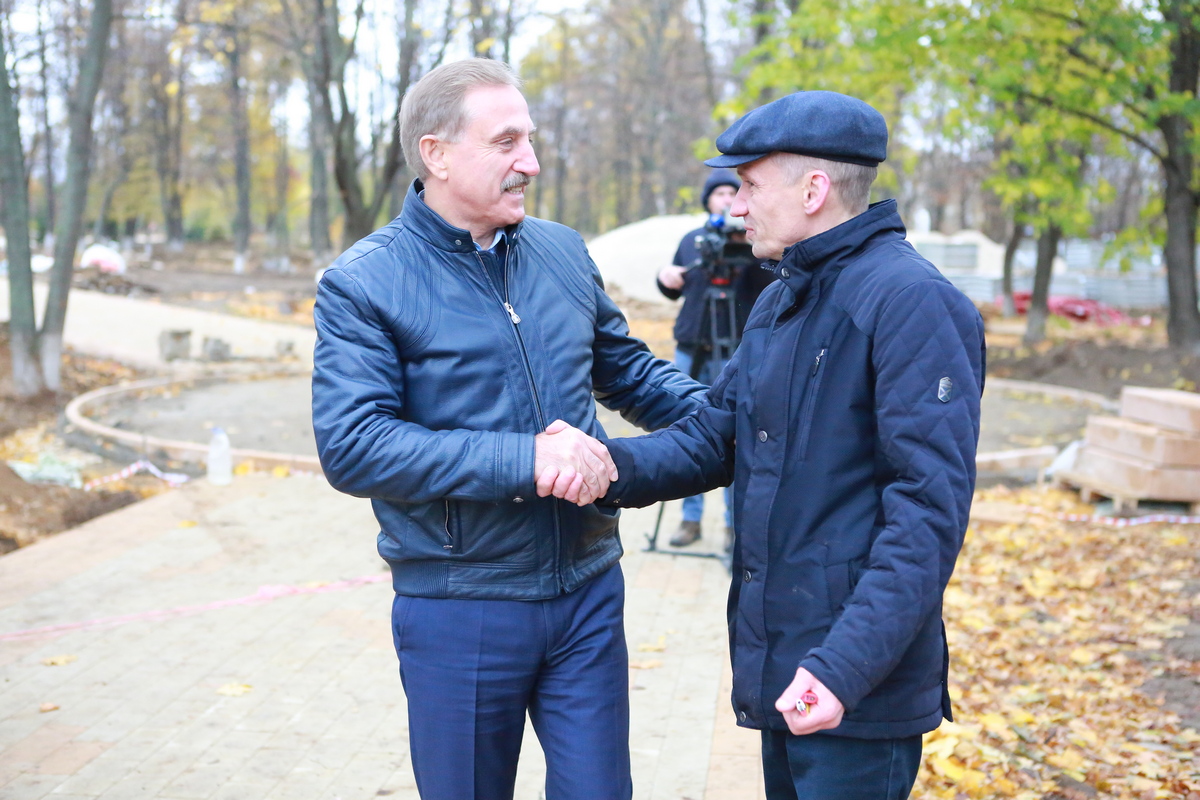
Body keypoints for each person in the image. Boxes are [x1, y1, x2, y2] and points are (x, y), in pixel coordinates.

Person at [552, 90, 986, 799]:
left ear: (814, 191)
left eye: (751, 186)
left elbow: (927, 515)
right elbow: (715, 434)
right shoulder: (784, 297)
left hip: (854, 688)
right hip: (787, 668)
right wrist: (604, 466)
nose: (737, 207)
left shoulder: (913, 302)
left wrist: (843, 668)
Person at [310, 58, 705, 800]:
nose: (531, 162)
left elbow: (630, 375)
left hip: (588, 590)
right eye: (506, 142)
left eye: (529, 139)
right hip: (461, 606)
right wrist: (527, 459)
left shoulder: (561, 250)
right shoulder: (363, 283)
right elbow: (354, 445)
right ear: (436, 153)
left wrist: (737, 418)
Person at [656, 169, 775, 549]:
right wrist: (664, 277)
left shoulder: (754, 238)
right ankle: (689, 520)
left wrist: (746, 248)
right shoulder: (693, 240)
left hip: (737, 350)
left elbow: (771, 287)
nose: (726, 198)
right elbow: (677, 285)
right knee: (686, 427)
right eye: (719, 192)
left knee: (734, 433)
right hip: (693, 345)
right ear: (708, 200)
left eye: (731, 192)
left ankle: (731, 525)